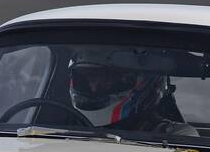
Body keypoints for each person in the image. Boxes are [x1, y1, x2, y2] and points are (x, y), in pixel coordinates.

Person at [67, 48, 198, 137]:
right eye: (85, 79)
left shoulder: (177, 135)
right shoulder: (60, 127)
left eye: (107, 79)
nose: (94, 87)